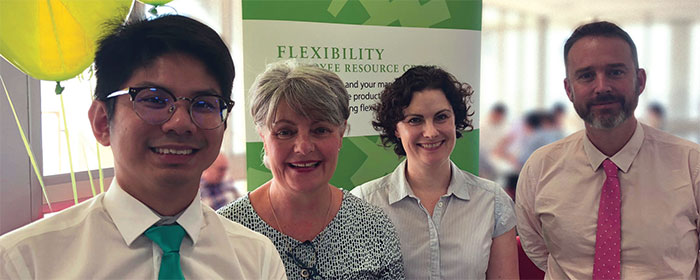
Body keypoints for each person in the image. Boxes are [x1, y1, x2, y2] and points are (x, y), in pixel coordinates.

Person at [0, 15, 286, 279]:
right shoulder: (25, 261)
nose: (180, 123)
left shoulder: (256, 259)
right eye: (154, 99)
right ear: (102, 122)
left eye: (203, 104)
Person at [515, 21, 700, 279]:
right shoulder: (541, 167)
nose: (602, 86)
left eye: (615, 72)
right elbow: (538, 249)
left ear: (640, 80)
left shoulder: (692, 165)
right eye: (586, 75)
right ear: (569, 89)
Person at [217, 60, 405, 279]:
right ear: (263, 138)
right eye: (285, 132)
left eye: (320, 130)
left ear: (341, 134)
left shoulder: (375, 228)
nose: (303, 148)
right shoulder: (225, 233)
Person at [351, 66, 518, 279]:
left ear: (455, 120)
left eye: (441, 117)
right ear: (396, 128)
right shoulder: (364, 203)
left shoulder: (493, 202)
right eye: (415, 120)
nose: (430, 132)